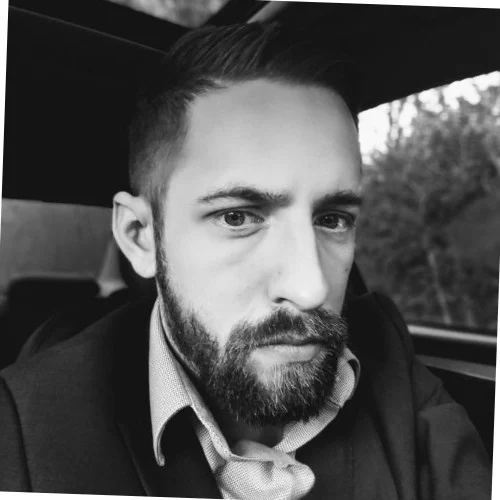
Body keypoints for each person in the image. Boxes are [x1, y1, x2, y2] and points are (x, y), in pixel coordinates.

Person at [0, 22, 491, 499]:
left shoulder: (387, 356)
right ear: (140, 236)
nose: (311, 289)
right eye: (237, 217)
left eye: (333, 219)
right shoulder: (25, 430)